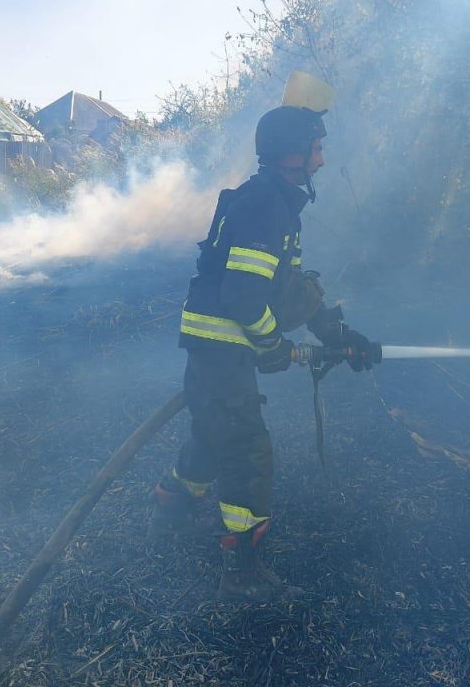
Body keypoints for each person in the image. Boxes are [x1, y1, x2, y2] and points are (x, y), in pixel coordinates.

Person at [149, 72, 379, 603]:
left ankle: (169, 510)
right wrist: (274, 346)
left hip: (216, 350)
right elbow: (244, 298)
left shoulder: (273, 203)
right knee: (247, 450)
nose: (322, 160)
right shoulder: (266, 207)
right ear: (293, 155)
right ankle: (242, 573)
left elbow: (288, 289)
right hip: (221, 348)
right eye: (317, 149)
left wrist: (340, 334)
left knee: (213, 436)